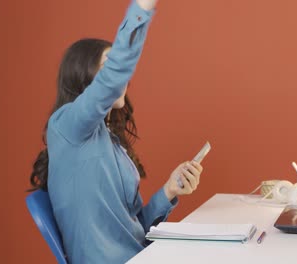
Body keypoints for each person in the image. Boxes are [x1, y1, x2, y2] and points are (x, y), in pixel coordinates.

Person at [29, 0, 203, 262]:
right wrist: (142, 9)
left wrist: (169, 190)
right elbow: (114, 78)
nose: (122, 79)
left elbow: (132, 231)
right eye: (108, 69)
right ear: (84, 77)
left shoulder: (111, 142)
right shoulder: (66, 126)